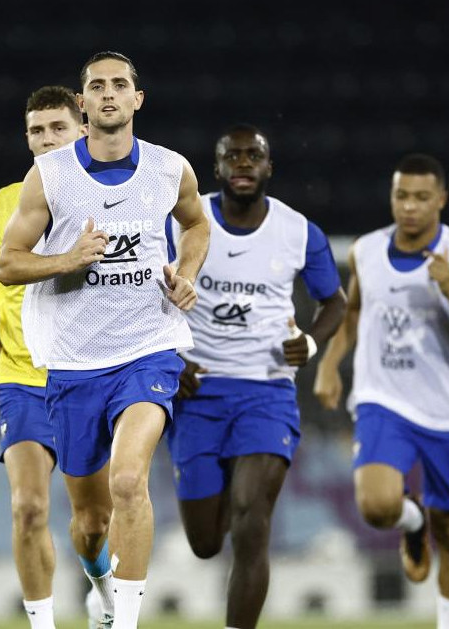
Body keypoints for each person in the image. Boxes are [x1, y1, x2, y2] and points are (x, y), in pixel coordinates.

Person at [0, 51, 211, 629]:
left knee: (127, 480)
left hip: (147, 348)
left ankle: (127, 622)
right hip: (71, 361)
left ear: (137, 100)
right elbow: (7, 264)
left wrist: (185, 273)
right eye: (98, 86)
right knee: (90, 523)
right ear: (83, 104)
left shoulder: (171, 169)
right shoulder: (51, 176)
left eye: (121, 85)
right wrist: (68, 259)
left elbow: (196, 223)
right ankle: (99, 584)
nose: (110, 94)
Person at [166, 125, 346, 629]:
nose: (243, 164)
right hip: (197, 389)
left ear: (269, 167)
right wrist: (169, 357)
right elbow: (140, 288)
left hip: (266, 389)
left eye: (254, 156)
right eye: (232, 157)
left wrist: (309, 342)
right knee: (205, 543)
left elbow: (336, 301)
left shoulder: (297, 230)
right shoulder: (183, 219)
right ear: (217, 167)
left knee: (252, 519)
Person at [314, 154, 449, 629]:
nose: (410, 207)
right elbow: (354, 312)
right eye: (402, 196)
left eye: (421, 197)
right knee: (376, 506)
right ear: (391, 197)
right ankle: (411, 520)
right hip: (385, 401)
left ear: (441, 199)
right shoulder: (367, 251)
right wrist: (331, 365)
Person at [0, 85, 117, 629]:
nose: (47, 139)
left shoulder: (115, 195)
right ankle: (42, 624)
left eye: (58, 127)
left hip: (88, 372)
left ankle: (102, 584)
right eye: (37, 130)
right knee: (28, 507)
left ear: (82, 129)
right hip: (22, 376)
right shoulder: (5, 200)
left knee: (94, 519)